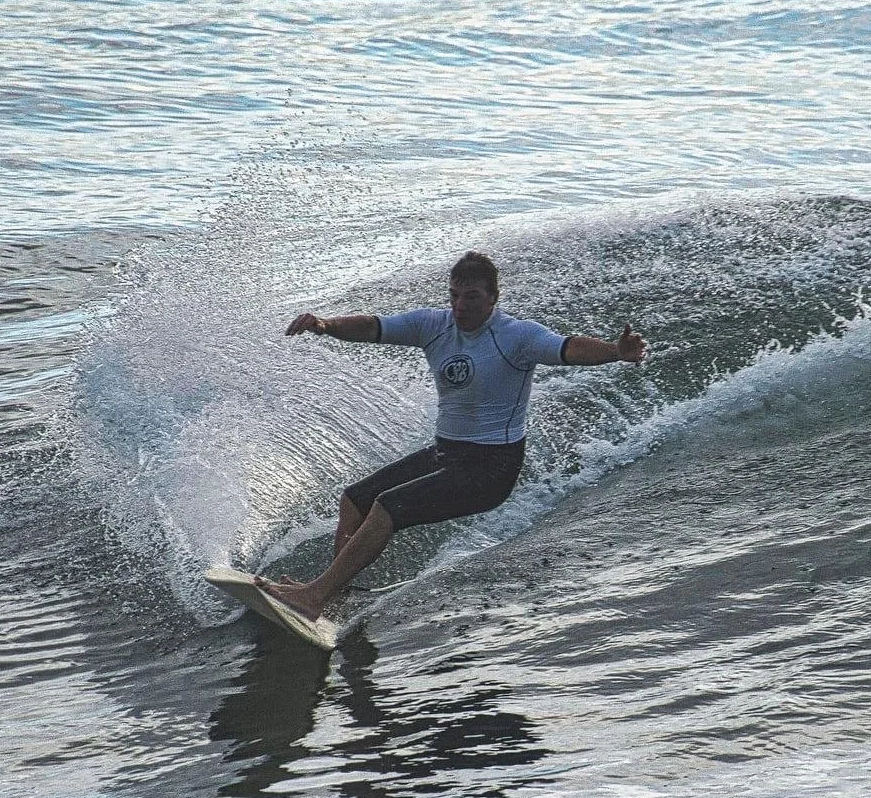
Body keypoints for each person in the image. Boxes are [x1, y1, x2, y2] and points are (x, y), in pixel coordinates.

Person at [265, 251, 647, 619]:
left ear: (493, 298)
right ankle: (333, 595)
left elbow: (568, 348)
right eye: (454, 296)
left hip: (491, 470)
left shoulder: (517, 336)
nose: (460, 306)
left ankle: (315, 596)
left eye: (472, 297)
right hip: (447, 454)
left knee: (387, 507)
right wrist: (326, 325)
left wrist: (616, 351)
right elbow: (374, 326)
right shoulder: (434, 325)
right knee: (355, 499)